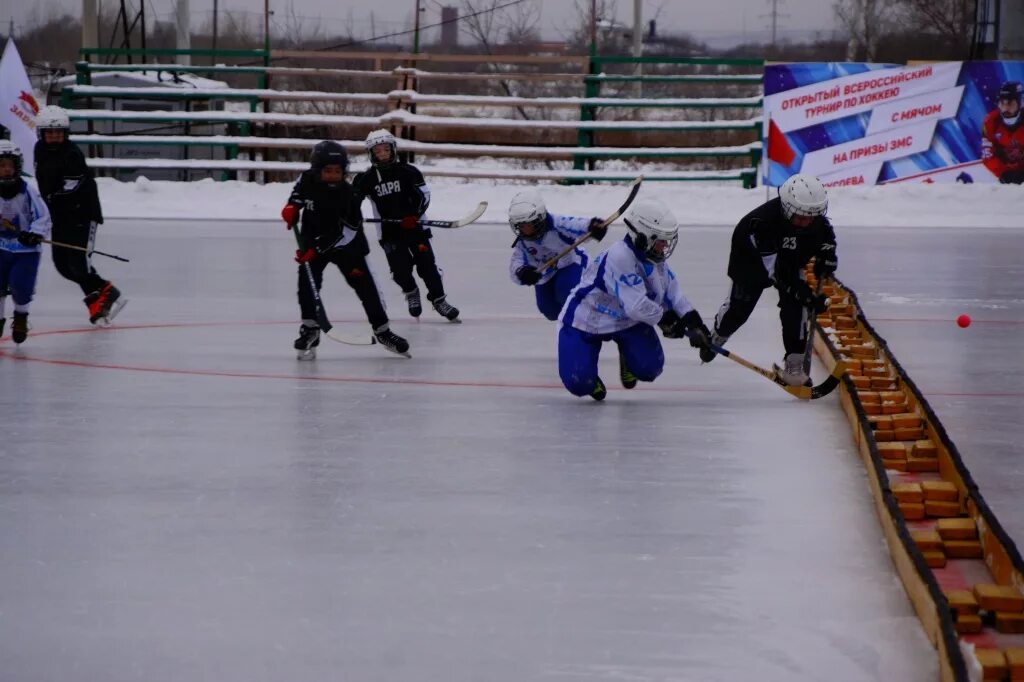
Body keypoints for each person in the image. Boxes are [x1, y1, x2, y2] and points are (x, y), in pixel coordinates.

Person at [557, 198, 710, 401]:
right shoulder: (620, 256)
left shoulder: (654, 258)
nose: (664, 246)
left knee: (650, 368)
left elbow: (674, 294)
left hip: (626, 322)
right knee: (579, 382)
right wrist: (670, 321)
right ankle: (588, 381)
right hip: (585, 320)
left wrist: (693, 322)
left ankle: (627, 358)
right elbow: (637, 307)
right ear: (642, 236)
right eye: (660, 240)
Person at [703, 173, 837, 387]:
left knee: (795, 308)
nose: (806, 222)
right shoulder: (761, 224)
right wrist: (805, 294)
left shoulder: (810, 217)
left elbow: (826, 235)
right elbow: (775, 272)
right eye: (801, 217)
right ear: (786, 208)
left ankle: (795, 363)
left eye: (811, 217)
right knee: (739, 311)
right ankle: (719, 333)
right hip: (751, 264)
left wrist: (827, 256)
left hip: (789, 260)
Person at [281, 140, 409, 359]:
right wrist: (292, 206)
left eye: (337, 171)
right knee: (307, 287)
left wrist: (317, 249)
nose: (332, 175)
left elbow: (345, 234)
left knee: (366, 289)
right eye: (327, 171)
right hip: (312, 241)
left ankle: (382, 330)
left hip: (348, 248)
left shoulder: (349, 195)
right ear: (316, 169)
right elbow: (298, 194)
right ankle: (311, 328)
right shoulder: (307, 179)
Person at [352, 129, 460, 322]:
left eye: (386, 150)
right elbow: (351, 203)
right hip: (389, 233)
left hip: (416, 229)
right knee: (400, 271)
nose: (383, 154)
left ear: (393, 150)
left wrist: (414, 215)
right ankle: (411, 291)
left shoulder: (409, 172)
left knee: (428, 267)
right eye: (378, 151)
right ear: (371, 154)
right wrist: (351, 215)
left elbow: (424, 196)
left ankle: (438, 300)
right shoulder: (366, 179)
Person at [33, 105, 125, 325]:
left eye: (59, 133)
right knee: (63, 266)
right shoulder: (39, 150)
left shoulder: (72, 154)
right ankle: (97, 298)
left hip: (82, 214)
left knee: (78, 263)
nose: (55, 136)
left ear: (66, 134)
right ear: (41, 133)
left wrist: (48, 203)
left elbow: (68, 189)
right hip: (59, 217)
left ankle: (107, 291)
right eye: (50, 132)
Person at [507, 189, 607, 321]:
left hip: (570, 264)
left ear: (539, 218)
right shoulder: (523, 242)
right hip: (545, 274)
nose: (524, 230)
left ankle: (586, 315)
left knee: (566, 290)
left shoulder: (557, 224)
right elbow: (516, 262)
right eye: (520, 226)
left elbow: (577, 225)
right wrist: (523, 273)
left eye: (527, 225)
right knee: (549, 310)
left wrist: (592, 227)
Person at [0, 140, 52, 344]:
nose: (6, 170)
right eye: (1, 165)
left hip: (25, 251)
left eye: (9, 166)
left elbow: (43, 217)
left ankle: (21, 316)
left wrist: (34, 233)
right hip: (1, 248)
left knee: (21, 287)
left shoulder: (28, 191)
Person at [982, 80, 1024, 184]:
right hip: (1007, 176)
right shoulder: (990, 121)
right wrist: (1004, 174)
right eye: (1002, 103)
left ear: (1021, 103)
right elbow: (987, 155)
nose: (1006, 108)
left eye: (1010, 103)